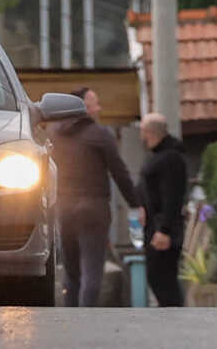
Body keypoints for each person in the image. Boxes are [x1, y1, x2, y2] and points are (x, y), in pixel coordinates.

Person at [45, 87, 139, 307]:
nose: (99, 108)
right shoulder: (99, 134)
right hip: (93, 208)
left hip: (64, 208)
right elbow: (120, 172)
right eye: (95, 103)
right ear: (83, 107)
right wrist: (136, 204)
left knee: (71, 270)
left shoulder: (55, 135)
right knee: (92, 268)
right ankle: (87, 318)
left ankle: (70, 317)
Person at [137, 112, 187, 308]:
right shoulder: (160, 155)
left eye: (142, 132)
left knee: (162, 278)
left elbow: (172, 197)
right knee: (158, 277)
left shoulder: (170, 158)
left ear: (149, 132)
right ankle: (171, 317)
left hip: (164, 230)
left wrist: (164, 230)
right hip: (155, 226)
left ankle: (174, 319)